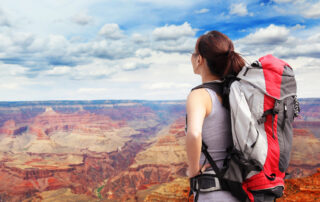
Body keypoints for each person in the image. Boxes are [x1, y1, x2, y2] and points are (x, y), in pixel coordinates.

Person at [185, 31, 246, 202]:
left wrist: (193, 169)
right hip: (240, 190)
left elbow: (194, 133)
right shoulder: (237, 92)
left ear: (200, 59)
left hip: (213, 194)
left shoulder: (200, 95)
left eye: (193, 53)